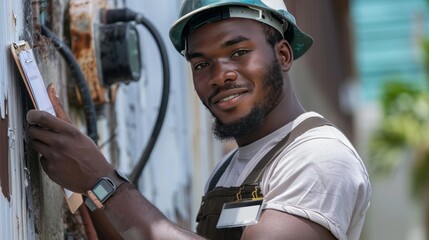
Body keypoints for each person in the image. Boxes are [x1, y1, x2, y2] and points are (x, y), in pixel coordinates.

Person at [26, 0, 371, 239]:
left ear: (282, 55)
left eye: (238, 52)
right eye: (201, 64)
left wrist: (104, 180)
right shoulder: (229, 169)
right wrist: (85, 174)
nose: (220, 75)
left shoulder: (319, 157)